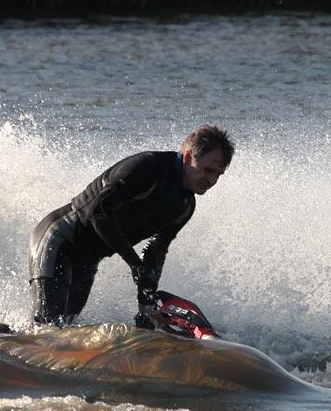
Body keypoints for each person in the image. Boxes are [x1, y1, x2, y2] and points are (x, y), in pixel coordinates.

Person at [28, 124, 234, 327]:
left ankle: (3, 336)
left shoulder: (185, 207)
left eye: (218, 174)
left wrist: (146, 306)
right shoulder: (148, 167)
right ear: (189, 157)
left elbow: (156, 253)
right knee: (48, 328)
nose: (212, 180)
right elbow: (98, 212)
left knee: (66, 329)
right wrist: (134, 263)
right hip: (59, 240)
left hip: (87, 261)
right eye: (208, 170)